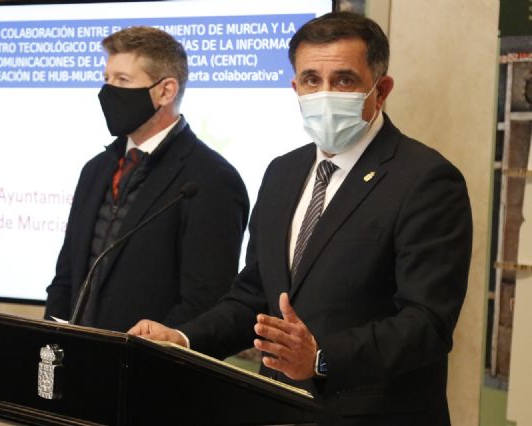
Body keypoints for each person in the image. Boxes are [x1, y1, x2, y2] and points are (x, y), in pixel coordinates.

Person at [129, 12, 472, 426]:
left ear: (381, 90)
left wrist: (321, 358)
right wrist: (182, 338)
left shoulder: (425, 180)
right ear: (296, 87)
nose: (324, 93)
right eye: (311, 80)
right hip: (275, 410)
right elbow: (254, 296)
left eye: (344, 80)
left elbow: (427, 323)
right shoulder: (282, 172)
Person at [45, 26, 249, 332]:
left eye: (122, 80)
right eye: (106, 79)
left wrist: (145, 348)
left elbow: (204, 301)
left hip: (147, 359)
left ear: (165, 91)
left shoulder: (211, 179)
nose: (107, 91)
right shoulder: (95, 170)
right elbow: (66, 278)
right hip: (75, 354)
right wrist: (51, 342)